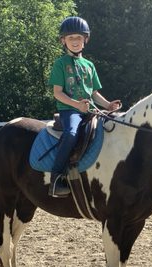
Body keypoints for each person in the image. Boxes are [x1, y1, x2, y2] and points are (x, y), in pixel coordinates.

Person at [48, 16, 121, 197]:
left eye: (79, 38)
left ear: (85, 40)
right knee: (71, 134)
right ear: (63, 41)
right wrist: (76, 105)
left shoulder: (89, 65)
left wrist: (108, 105)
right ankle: (56, 177)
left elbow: (94, 93)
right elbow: (57, 93)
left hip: (89, 110)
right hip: (69, 110)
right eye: (71, 38)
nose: (75, 41)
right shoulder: (60, 64)